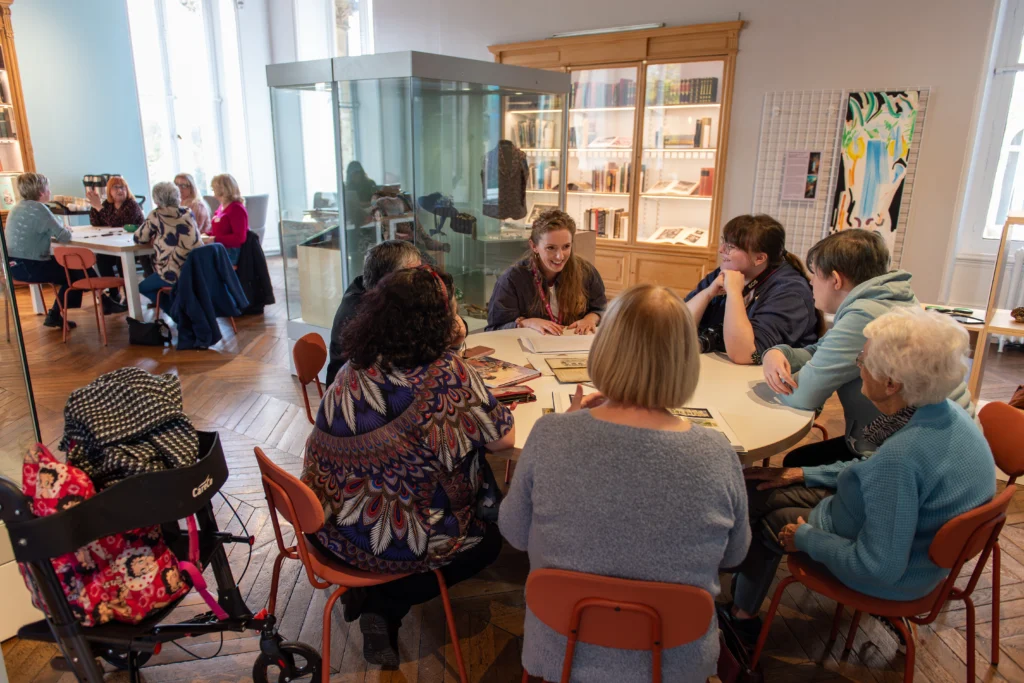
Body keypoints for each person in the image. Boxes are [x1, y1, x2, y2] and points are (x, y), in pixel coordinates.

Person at [723, 230, 975, 637]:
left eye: (862, 362)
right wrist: (803, 476)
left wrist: (805, 536)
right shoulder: (941, 415)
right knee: (785, 474)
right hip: (924, 526)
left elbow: (881, 560)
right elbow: (868, 470)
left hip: (901, 568)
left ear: (892, 383)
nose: (855, 369)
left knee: (761, 503)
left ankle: (739, 616)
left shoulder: (898, 457)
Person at [500, 284, 750, 683]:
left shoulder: (550, 435)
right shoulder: (716, 452)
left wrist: (568, 427)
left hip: (561, 649)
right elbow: (735, 554)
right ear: (686, 360)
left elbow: (514, 533)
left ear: (605, 349)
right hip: (675, 659)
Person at [301, 265, 513, 666]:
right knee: (489, 543)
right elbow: (504, 439)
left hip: (326, 525)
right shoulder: (447, 375)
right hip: (391, 542)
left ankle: (373, 601)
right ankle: (382, 601)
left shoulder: (356, 364)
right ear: (441, 320)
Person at [685, 214, 818, 365]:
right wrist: (708, 293)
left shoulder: (790, 292)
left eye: (731, 247)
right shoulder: (728, 272)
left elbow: (749, 355)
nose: (721, 250)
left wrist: (734, 293)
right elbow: (677, 326)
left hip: (771, 381)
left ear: (760, 258)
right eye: (724, 242)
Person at [486, 209, 607, 334]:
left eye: (566, 246)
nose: (560, 256)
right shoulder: (511, 279)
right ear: (534, 246)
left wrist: (590, 319)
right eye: (551, 248)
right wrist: (526, 323)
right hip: (527, 350)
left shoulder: (586, 271)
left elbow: (602, 309)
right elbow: (493, 330)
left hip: (573, 346)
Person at [324, 239, 421, 386]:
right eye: (413, 273)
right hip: (352, 394)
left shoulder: (377, 293)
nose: (420, 278)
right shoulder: (362, 311)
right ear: (389, 277)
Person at [4, 172, 83, 329]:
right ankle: (56, 314)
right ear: (41, 192)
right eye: (48, 188)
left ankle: (56, 314)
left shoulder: (16, 208)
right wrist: (63, 229)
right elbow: (64, 236)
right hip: (29, 267)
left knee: (74, 268)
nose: (50, 191)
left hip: (13, 266)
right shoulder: (39, 209)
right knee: (74, 271)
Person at [133, 182, 201, 303]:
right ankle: (181, 312)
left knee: (142, 288)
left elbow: (140, 238)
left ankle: (175, 313)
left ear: (157, 200)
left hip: (172, 272)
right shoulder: (188, 212)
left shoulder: (157, 214)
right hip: (195, 270)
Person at [87, 176, 142, 312]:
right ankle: (114, 294)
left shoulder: (132, 205)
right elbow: (96, 222)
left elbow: (117, 224)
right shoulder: (107, 205)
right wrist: (95, 207)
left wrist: (99, 207)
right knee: (101, 258)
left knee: (120, 261)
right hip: (115, 244)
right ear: (109, 191)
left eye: (122, 187)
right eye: (115, 187)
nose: (120, 190)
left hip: (133, 246)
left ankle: (129, 298)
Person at [209, 173, 248, 264]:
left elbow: (240, 238)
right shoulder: (222, 207)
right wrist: (206, 235)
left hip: (230, 252)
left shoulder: (236, 208)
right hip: (220, 248)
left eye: (214, 189)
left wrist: (215, 239)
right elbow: (220, 231)